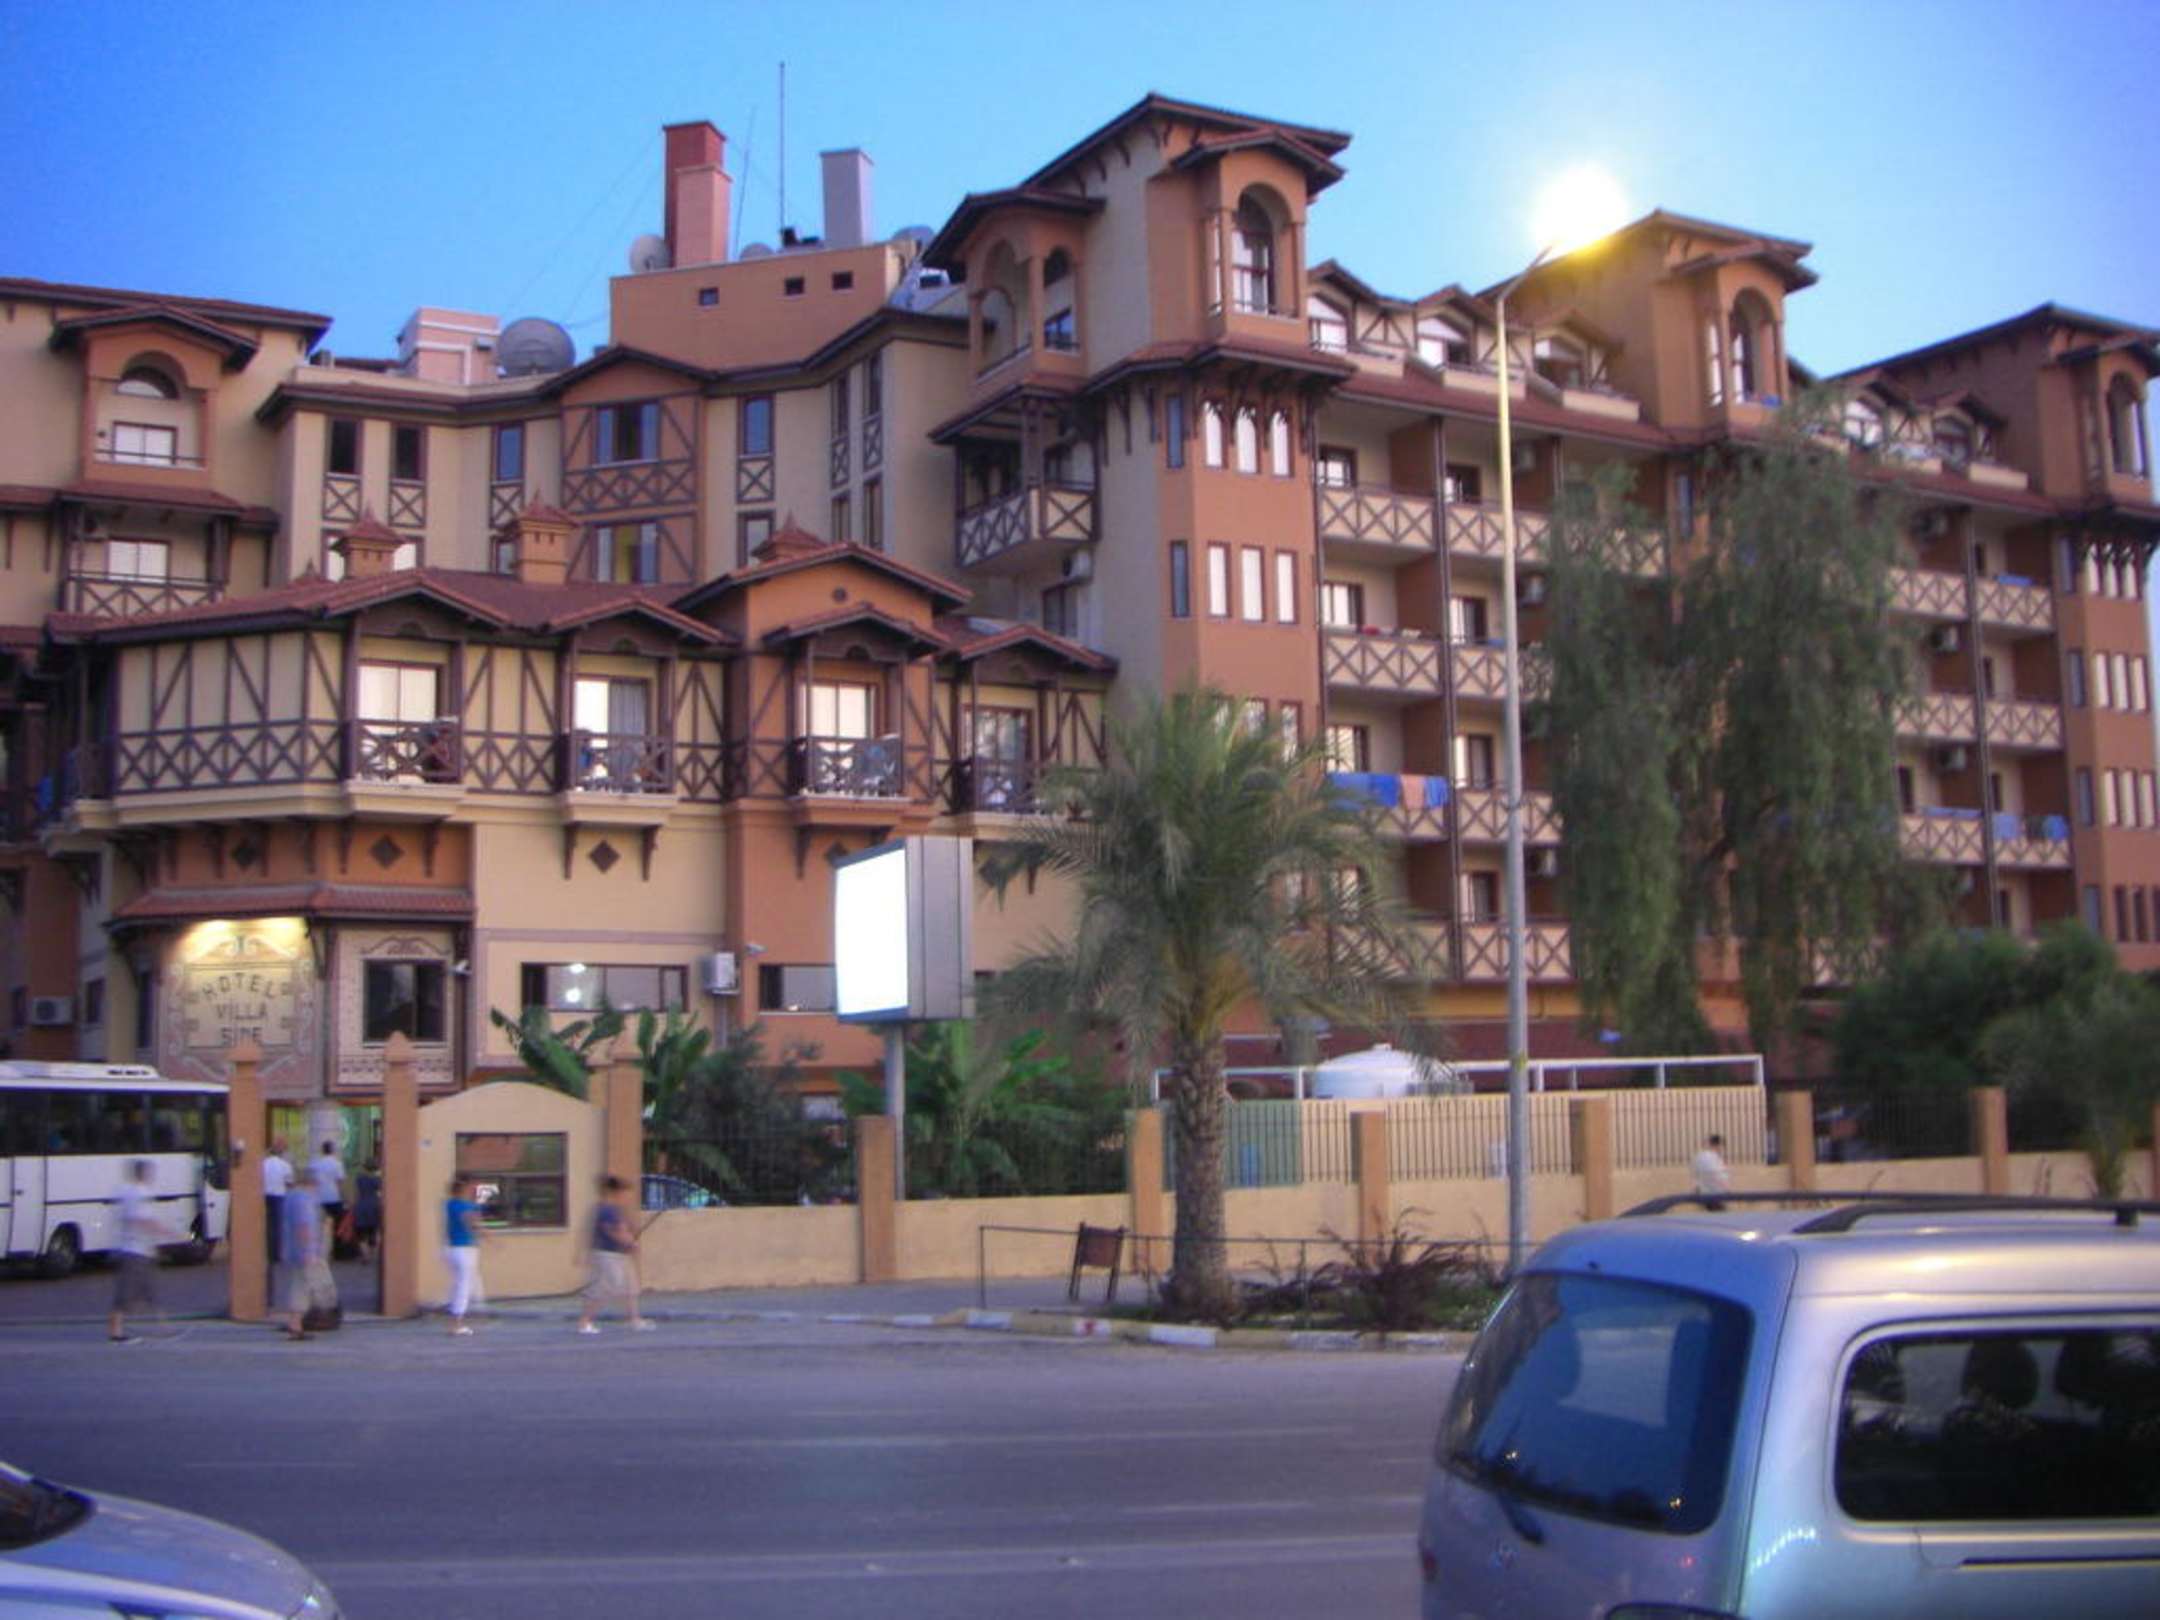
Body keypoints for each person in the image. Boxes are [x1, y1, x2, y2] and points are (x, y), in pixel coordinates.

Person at [577, 1175, 653, 1335]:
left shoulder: (611, 1209)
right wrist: (630, 1243)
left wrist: (629, 1241)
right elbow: (614, 1231)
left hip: (618, 1254)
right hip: (608, 1255)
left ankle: (635, 1320)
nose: (627, 1197)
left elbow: (621, 1229)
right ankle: (585, 1322)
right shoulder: (608, 1210)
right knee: (605, 1288)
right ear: (615, 1192)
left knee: (630, 1287)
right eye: (624, 1193)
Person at [108, 1159, 167, 1344]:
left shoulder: (129, 1191)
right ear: (144, 1173)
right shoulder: (138, 1193)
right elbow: (141, 1220)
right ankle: (115, 1333)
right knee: (126, 1292)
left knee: (147, 1289)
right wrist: (166, 1232)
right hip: (134, 1250)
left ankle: (162, 1326)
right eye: (149, 1172)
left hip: (138, 1249)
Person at [280, 1165, 339, 1340]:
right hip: (305, 1252)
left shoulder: (290, 1197)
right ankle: (301, 1322)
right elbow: (304, 1226)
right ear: (311, 1182)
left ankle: (295, 1324)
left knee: (300, 1285)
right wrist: (308, 1251)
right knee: (312, 1285)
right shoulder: (304, 1200)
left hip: (293, 1250)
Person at [443, 1173, 486, 1337]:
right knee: (463, 1286)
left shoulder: (450, 1204)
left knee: (458, 1284)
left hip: (451, 1248)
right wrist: (489, 1237)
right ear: (464, 1188)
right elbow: (474, 1224)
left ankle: (455, 1318)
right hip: (464, 1250)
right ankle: (456, 1324)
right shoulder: (464, 1206)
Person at [261, 1138, 292, 1265]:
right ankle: (276, 1253)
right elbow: (289, 1183)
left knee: (267, 1224)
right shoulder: (285, 1165)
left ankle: (266, 1251)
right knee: (278, 1225)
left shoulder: (263, 1164)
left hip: (265, 1196)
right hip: (279, 1196)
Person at [312, 1140, 347, 1252]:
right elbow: (339, 1182)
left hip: (319, 1198)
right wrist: (343, 1197)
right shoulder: (337, 1164)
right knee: (338, 1224)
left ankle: (318, 1250)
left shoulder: (316, 1164)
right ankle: (337, 1250)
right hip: (334, 1197)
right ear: (332, 1150)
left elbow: (313, 1182)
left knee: (319, 1225)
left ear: (323, 1150)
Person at [1693, 1133, 1733, 1212]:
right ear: (1717, 1145)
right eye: (1721, 1146)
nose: (1722, 1149)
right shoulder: (1710, 1158)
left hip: (1707, 1193)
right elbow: (1714, 1175)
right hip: (1713, 1194)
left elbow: (1696, 1175)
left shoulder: (1701, 1156)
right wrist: (1726, 1189)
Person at [353, 1159, 383, 1260]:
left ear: (365, 1168)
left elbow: (356, 1192)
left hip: (361, 1205)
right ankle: (370, 1254)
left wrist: (353, 1204)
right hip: (374, 1205)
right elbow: (381, 1192)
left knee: (360, 1231)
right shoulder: (377, 1179)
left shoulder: (359, 1178)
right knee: (372, 1230)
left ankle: (365, 1253)